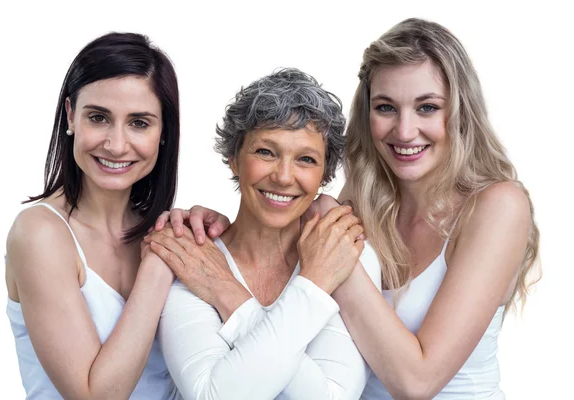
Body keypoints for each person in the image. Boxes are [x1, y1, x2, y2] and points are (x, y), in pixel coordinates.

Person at [159, 18, 540, 399]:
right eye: (386, 107)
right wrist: (209, 225)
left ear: (460, 111)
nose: (405, 131)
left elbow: (417, 383)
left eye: (427, 107)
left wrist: (227, 290)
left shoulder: (496, 207)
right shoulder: (359, 207)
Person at [145, 68, 380, 400]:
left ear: (324, 176)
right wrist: (314, 289)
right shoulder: (191, 252)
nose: (284, 177)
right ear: (234, 159)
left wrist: (227, 293)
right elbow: (214, 395)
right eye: (266, 152)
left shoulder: (345, 250)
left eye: (306, 159)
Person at [5, 32, 180, 399]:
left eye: (139, 123)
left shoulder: (164, 229)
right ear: (71, 115)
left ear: (164, 130)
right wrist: (157, 268)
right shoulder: (40, 233)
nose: (116, 145)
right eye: (99, 117)